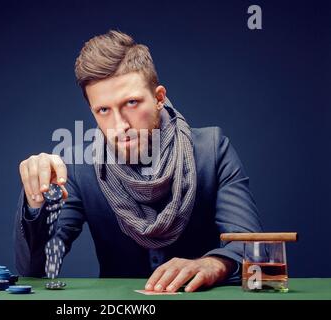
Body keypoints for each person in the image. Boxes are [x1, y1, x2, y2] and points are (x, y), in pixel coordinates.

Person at [14, 30, 262, 293]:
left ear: (158, 98)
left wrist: (214, 264)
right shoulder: (79, 167)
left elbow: (252, 248)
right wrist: (36, 199)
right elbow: (35, 270)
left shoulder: (212, 149)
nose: (120, 126)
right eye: (104, 110)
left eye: (131, 102)